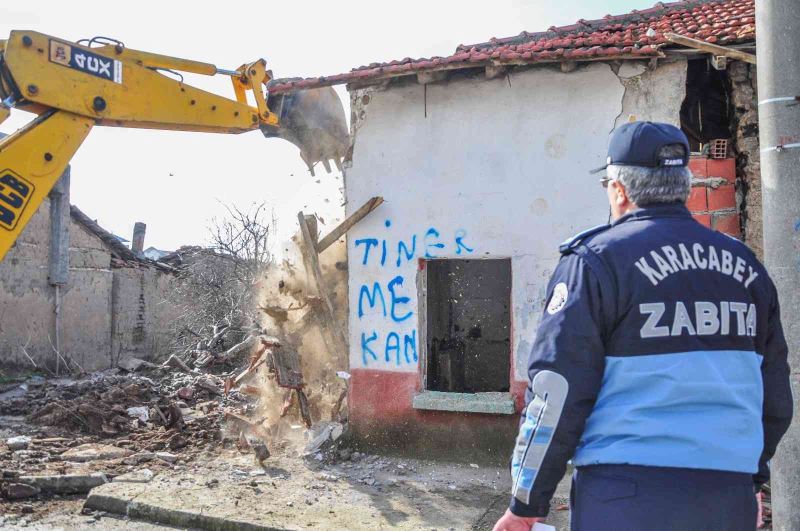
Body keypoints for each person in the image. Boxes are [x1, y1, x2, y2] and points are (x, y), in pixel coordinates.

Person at [492, 121, 793, 531]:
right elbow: (774, 394)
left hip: (625, 495)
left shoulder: (595, 263)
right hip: (726, 497)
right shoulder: (746, 269)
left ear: (618, 189)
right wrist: (751, 479)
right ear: (685, 186)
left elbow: (557, 391)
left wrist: (526, 502)